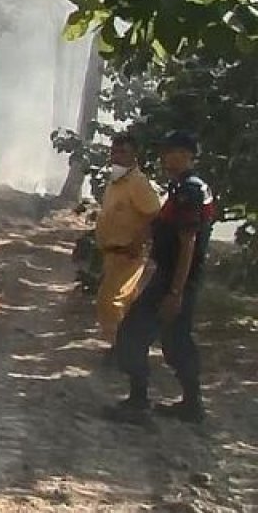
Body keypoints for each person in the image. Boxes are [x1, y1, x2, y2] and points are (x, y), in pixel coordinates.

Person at [106, 130, 216, 425]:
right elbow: (161, 222)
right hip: (177, 278)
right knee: (176, 340)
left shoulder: (189, 190)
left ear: (187, 155)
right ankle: (192, 405)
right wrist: (138, 243)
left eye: (172, 152)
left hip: (175, 280)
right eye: (165, 152)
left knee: (132, 333)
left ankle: (139, 403)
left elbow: (188, 243)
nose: (166, 158)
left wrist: (175, 293)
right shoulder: (185, 186)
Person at [94, 133, 162, 357]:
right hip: (112, 253)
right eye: (114, 151)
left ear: (134, 155)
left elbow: (153, 214)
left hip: (128, 253)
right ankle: (131, 347)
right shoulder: (116, 182)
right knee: (127, 302)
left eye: (122, 151)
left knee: (110, 301)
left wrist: (137, 242)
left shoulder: (137, 182)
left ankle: (120, 350)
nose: (116, 156)